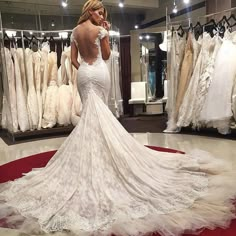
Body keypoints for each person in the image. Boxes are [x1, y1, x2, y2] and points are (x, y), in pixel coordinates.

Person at [0, 1, 236, 236]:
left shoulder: (75, 32)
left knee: (91, 116)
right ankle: (103, 153)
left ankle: (95, 152)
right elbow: (105, 54)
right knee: (99, 113)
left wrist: (84, 67)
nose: (100, 14)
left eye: (102, 11)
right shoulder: (100, 29)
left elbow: (73, 59)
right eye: (97, 10)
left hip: (83, 74)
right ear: (89, 11)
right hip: (100, 72)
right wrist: (103, 35)